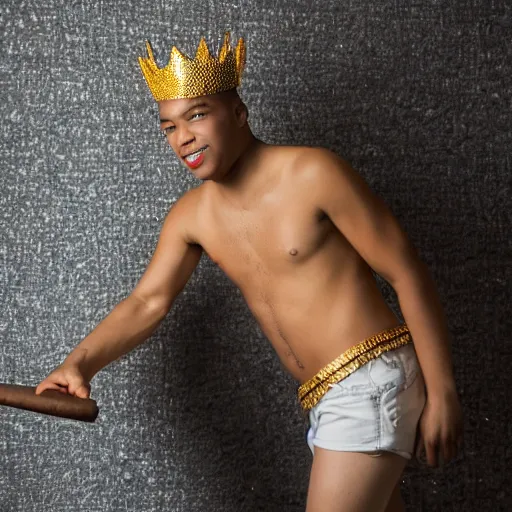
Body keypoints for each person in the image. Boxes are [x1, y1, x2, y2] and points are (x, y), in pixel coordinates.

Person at [36, 32, 463, 512]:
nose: (184, 138)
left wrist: (443, 392)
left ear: (239, 113)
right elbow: (148, 301)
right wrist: (79, 363)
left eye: (197, 115)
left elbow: (408, 273)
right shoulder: (191, 217)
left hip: (370, 381)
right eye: (169, 127)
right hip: (324, 395)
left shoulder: (313, 173)